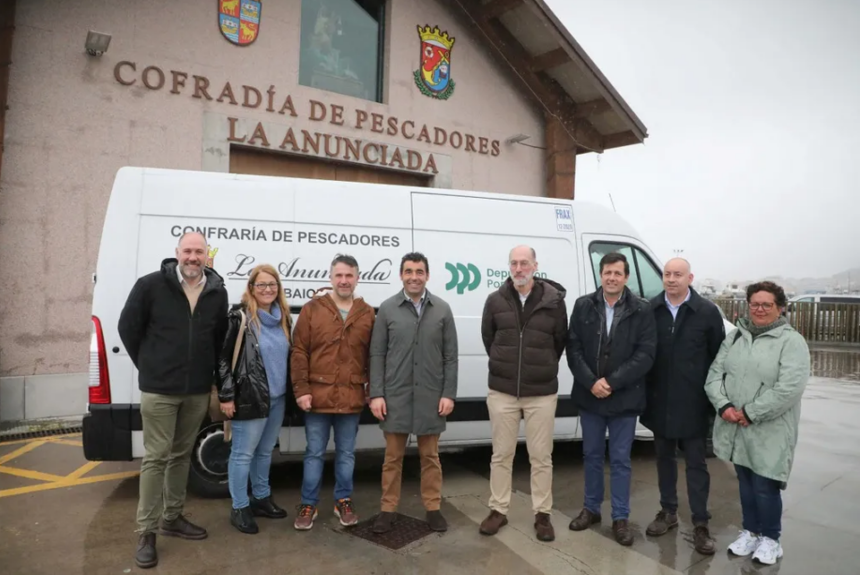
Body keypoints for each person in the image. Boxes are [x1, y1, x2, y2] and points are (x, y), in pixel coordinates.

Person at [118, 232, 229, 569]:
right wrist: (150, 366)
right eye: (187, 251)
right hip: (160, 389)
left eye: (199, 251)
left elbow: (218, 338)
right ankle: (146, 531)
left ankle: (173, 517)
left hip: (196, 390)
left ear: (206, 255)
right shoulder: (150, 285)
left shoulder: (216, 292)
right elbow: (127, 328)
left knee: (181, 455)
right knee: (156, 458)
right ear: (176, 253)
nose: (193, 257)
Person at [705, 281, 809, 566]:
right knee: (746, 482)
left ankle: (771, 539)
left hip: (769, 429)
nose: (760, 309)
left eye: (767, 304)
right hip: (736, 425)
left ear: (780, 308)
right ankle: (750, 531)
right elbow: (715, 373)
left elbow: (789, 388)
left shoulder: (791, 342)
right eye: (755, 304)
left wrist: (750, 412)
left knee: (765, 484)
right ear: (747, 306)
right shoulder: (737, 336)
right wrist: (724, 406)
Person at [478, 245, 568, 542]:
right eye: (514, 263)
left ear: (535, 265)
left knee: (541, 456)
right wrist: (508, 368)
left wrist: (537, 368)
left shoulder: (554, 303)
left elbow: (559, 343)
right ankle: (498, 510)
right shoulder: (495, 301)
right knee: (501, 455)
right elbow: (489, 339)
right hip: (503, 391)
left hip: (540, 392)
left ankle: (542, 514)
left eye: (524, 263)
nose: (519, 268)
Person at [566, 252, 657, 546]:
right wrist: (592, 382)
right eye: (607, 272)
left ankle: (620, 517)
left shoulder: (641, 309)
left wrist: (611, 382)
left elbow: (645, 354)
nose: (612, 278)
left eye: (618, 273)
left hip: (624, 399)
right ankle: (591, 509)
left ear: (626, 277)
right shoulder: (583, 305)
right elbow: (574, 348)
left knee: (620, 460)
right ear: (601, 275)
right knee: (591, 456)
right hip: (590, 396)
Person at [369, 252, 458, 534]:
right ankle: (387, 509)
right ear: (401, 275)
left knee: (430, 458)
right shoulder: (387, 309)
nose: (414, 277)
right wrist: (377, 394)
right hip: (395, 397)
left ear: (427, 275)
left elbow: (450, 357)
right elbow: (377, 354)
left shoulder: (442, 310)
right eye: (408, 271)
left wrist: (448, 394)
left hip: (431, 398)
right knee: (392, 459)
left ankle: (433, 508)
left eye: (419, 271)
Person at [641, 258, 725, 554]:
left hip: (694, 403)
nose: (672, 279)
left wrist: (714, 401)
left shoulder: (706, 312)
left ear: (690, 277)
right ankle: (668, 512)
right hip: (659, 401)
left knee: (696, 464)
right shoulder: (650, 310)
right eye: (667, 274)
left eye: (678, 274)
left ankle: (700, 523)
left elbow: (719, 359)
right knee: (664, 460)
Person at [290, 254, 375, 530]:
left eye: (349, 275)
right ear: (330, 278)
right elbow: (299, 351)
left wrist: (372, 390)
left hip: (351, 397)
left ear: (357, 278)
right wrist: (301, 389)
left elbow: (374, 356)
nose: (344, 280)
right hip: (317, 397)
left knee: (346, 454)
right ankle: (308, 503)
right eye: (339, 275)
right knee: (314, 452)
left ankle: (343, 500)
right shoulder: (312, 309)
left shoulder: (367, 313)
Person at [218, 264, 293, 534]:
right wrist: (227, 396)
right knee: (242, 454)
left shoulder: (283, 317)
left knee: (264, 452)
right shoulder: (240, 318)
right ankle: (239, 506)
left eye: (272, 284)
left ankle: (261, 498)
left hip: (277, 398)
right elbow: (223, 359)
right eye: (261, 284)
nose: (267, 289)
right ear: (251, 288)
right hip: (249, 398)